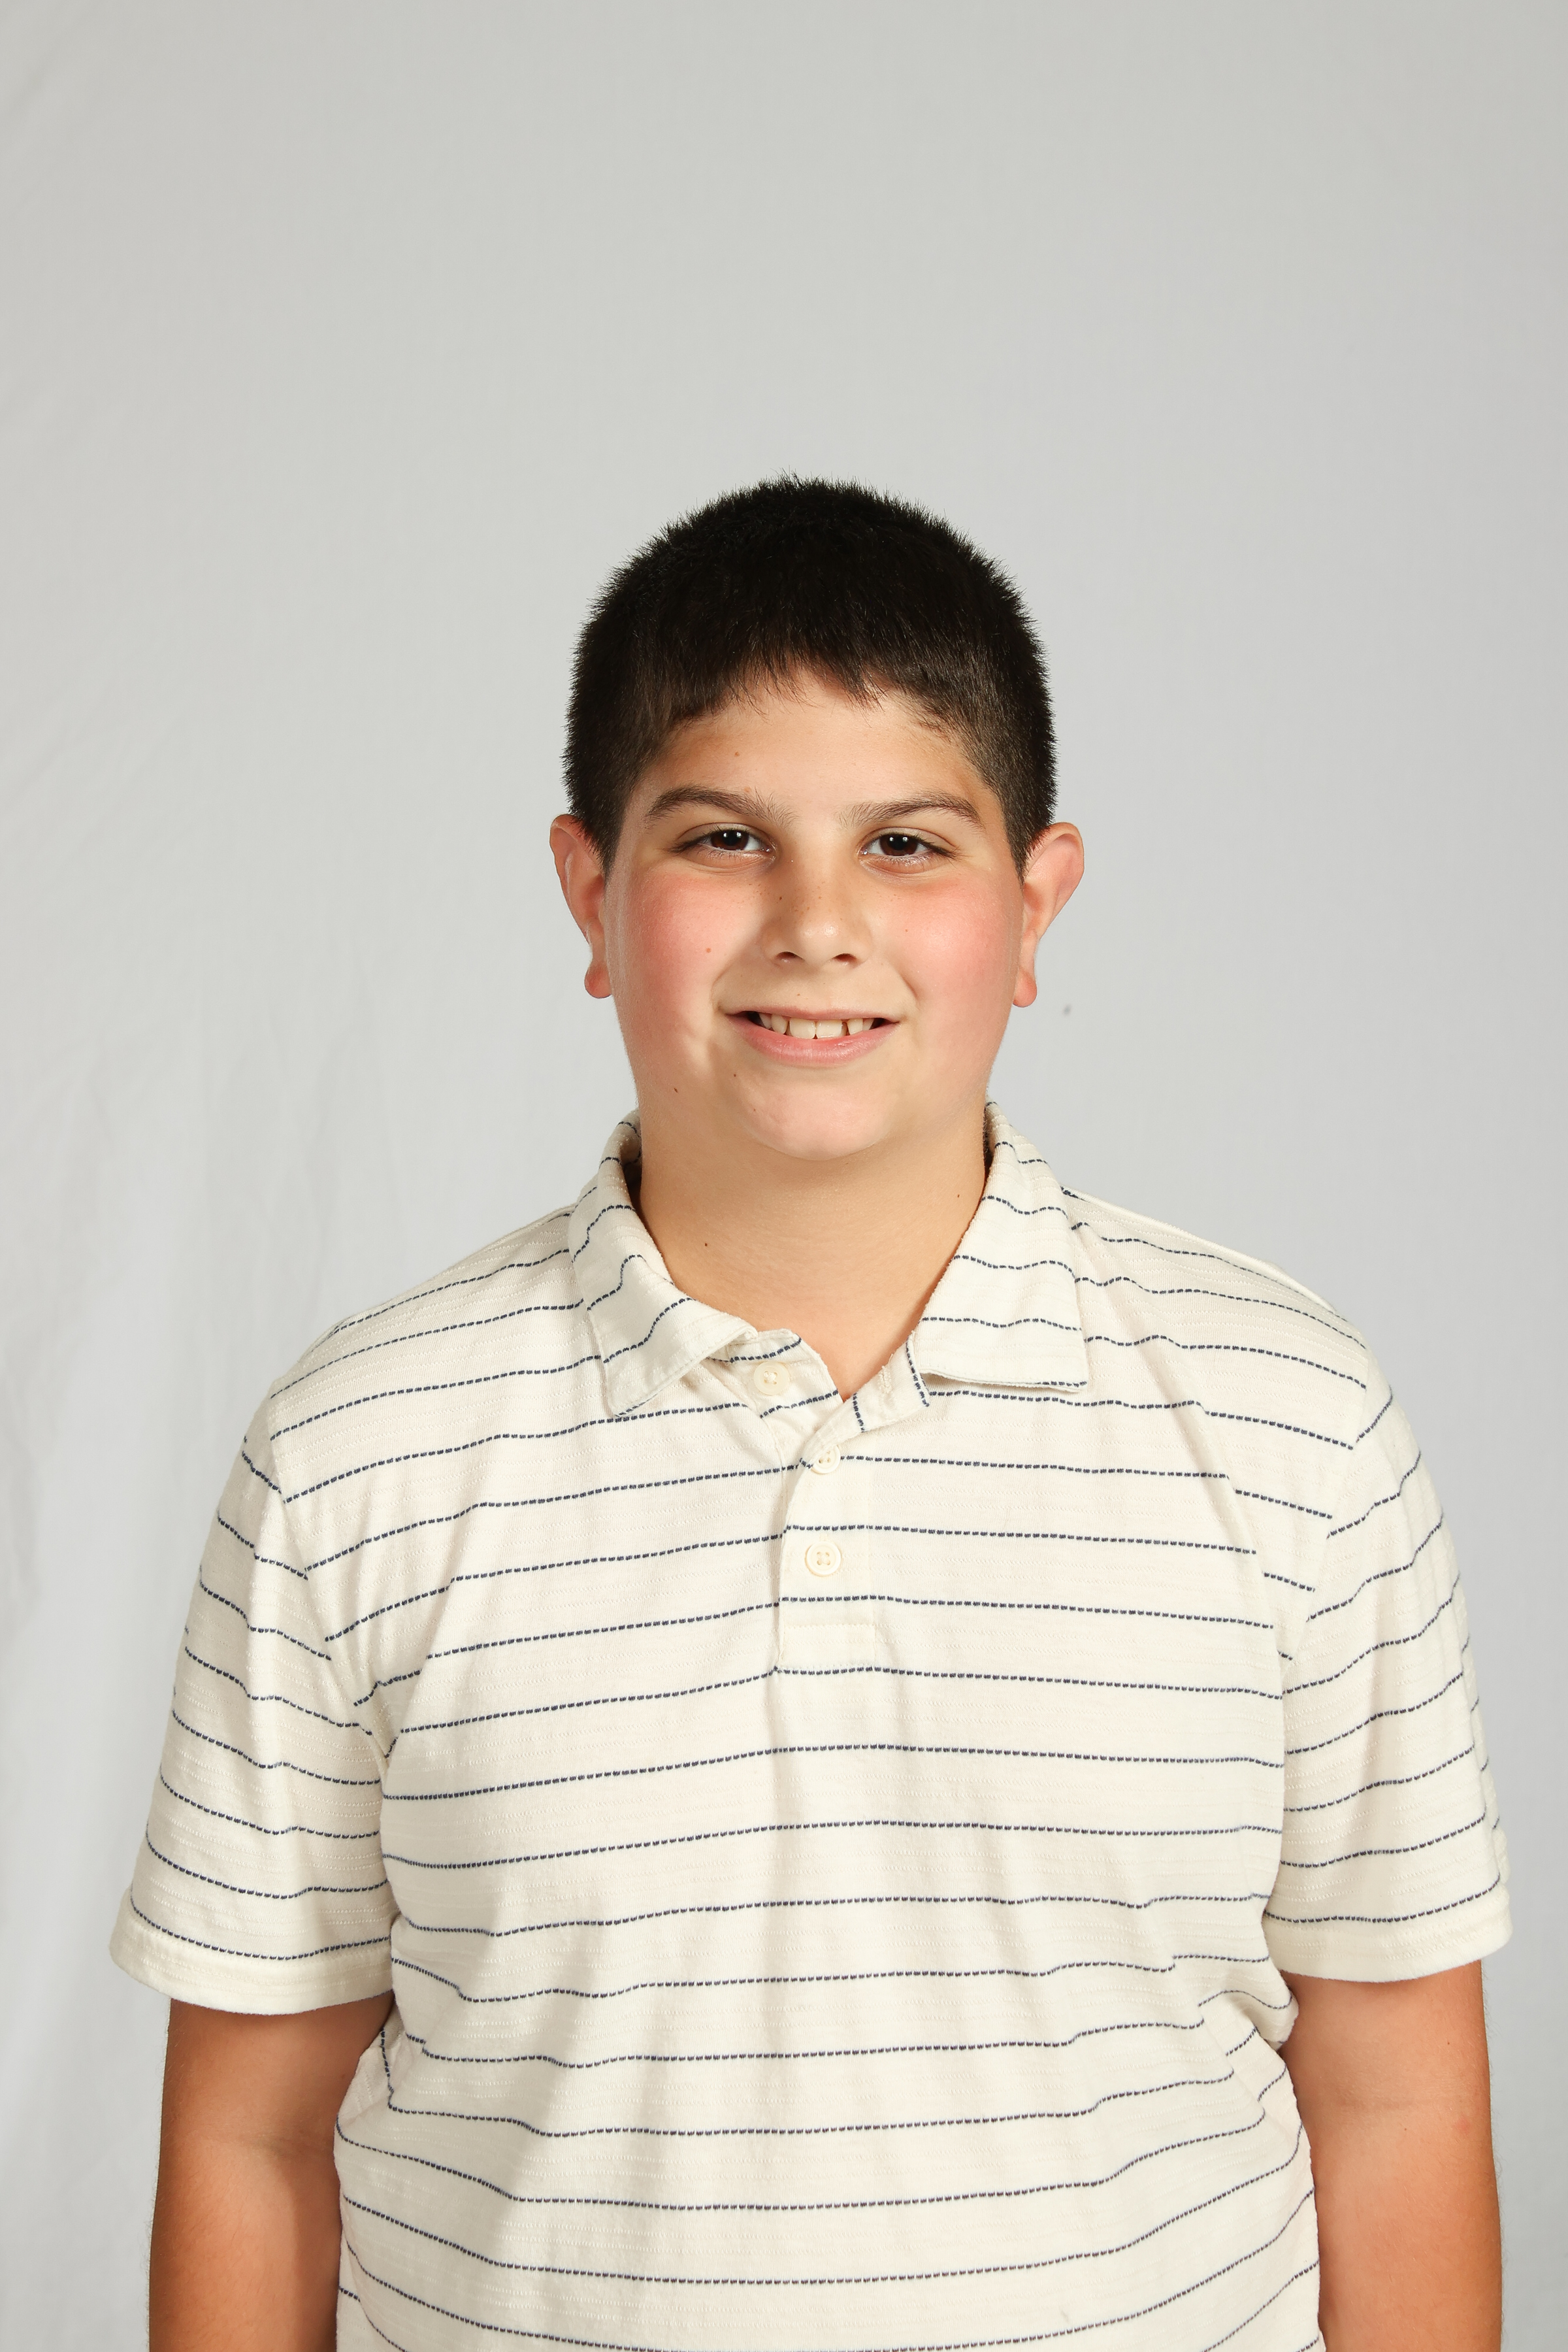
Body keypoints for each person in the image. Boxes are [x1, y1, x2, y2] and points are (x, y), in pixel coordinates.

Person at [113, 479, 1509, 2352]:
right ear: (590, 892)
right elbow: (250, 2138)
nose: (819, 925)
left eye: (908, 844)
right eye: (726, 839)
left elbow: (1397, 2095)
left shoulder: (1291, 1425)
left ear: (1036, 905)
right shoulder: (358, 1454)